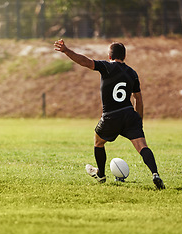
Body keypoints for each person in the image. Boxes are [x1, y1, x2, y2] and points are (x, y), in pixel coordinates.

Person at [54, 39, 165, 190]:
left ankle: (101, 174)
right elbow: (138, 98)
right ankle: (155, 174)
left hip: (111, 115)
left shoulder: (106, 66)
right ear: (124, 56)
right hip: (129, 114)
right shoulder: (132, 73)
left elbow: (85, 62)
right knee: (142, 146)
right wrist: (138, 121)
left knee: (98, 141)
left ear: (109, 56)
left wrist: (66, 51)